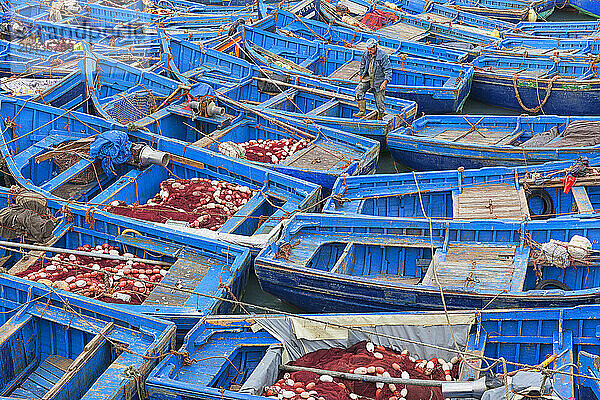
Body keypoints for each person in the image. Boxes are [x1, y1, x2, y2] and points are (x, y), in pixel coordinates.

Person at [354, 38, 392, 120]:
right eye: (368, 49)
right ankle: (362, 111)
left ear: (375, 47)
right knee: (358, 90)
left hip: (378, 82)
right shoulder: (366, 54)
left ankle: (381, 118)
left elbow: (388, 70)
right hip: (367, 79)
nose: (369, 51)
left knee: (380, 103)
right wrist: (361, 76)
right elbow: (362, 66)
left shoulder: (383, 56)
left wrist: (385, 82)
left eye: (371, 49)